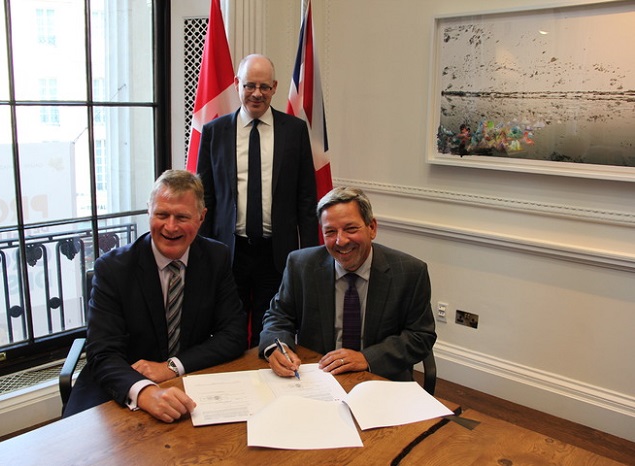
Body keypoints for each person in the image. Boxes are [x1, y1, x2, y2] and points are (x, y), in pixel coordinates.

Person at [63, 170, 247, 422]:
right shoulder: (113, 269)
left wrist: (171, 366)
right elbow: (103, 353)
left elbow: (233, 334)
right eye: (162, 214)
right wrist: (144, 392)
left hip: (188, 379)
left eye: (182, 216)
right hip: (119, 383)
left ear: (201, 217)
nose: (170, 227)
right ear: (148, 211)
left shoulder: (217, 258)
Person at [197, 54, 319, 347]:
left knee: (271, 329)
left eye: (264, 87)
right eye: (250, 85)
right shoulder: (215, 132)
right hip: (229, 250)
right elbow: (206, 197)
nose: (256, 93)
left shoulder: (295, 131)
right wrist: (201, 250)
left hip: (276, 252)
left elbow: (306, 198)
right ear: (237, 84)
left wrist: (312, 254)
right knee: (229, 328)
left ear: (275, 87)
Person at [259, 187, 436, 382]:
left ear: (372, 228)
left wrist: (367, 357)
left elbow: (421, 336)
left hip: (379, 378)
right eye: (330, 232)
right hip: (318, 377)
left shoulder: (410, 272)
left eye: (351, 229)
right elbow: (278, 315)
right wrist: (277, 346)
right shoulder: (301, 265)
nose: (340, 241)